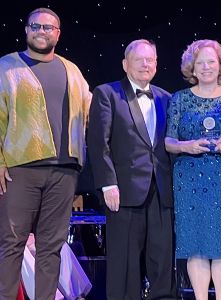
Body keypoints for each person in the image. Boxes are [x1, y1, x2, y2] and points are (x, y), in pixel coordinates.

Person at [0, 7, 92, 299]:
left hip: (64, 170)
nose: (42, 32)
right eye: (36, 26)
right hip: (21, 169)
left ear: (58, 34)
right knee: (13, 243)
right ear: (27, 30)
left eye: (48, 27)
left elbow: (90, 113)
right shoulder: (5, 68)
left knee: (51, 246)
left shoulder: (72, 70)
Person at [165, 39, 221, 300]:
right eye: (200, 62)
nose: (206, 67)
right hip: (188, 178)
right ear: (192, 67)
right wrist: (187, 145)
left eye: (211, 61)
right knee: (196, 246)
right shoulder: (179, 99)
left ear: (220, 65)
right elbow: (168, 142)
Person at [88, 39, 176, 300]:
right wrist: (107, 183)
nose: (146, 64)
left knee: (162, 260)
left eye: (150, 60)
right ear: (126, 64)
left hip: (161, 191)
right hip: (123, 192)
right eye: (140, 60)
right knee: (124, 265)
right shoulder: (107, 93)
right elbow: (98, 142)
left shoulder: (167, 98)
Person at [0, 132, 91, 299]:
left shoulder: (3, 172)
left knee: (54, 244)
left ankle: (75, 294)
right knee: (20, 250)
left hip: (12, 225)